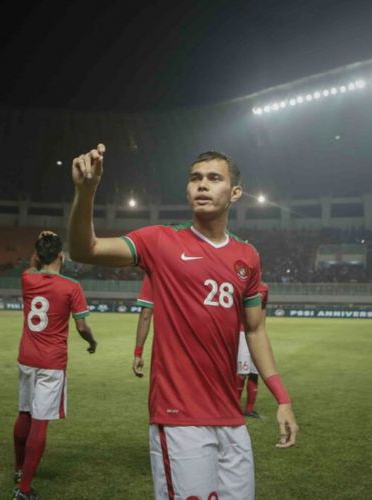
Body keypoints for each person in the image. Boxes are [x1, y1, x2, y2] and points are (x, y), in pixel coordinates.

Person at [68, 145, 298, 500]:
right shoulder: (160, 240)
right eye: (195, 179)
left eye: (213, 178)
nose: (202, 185)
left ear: (234, 193)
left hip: (230, 418)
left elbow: (254, 329)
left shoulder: (247, 257)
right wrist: (86, 192)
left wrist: (282, 398)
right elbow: (87, 250)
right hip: (179, 418)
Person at [12, 231, 97, 500]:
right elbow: (81, 326)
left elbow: (31, 264)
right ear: (62, 256)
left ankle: (18, 469)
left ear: (37, 256)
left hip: (26, 358)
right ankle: (24, 489)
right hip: (52, 362)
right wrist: (92, 341)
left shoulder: (27, 278)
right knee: (40, 422)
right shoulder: (72, 287)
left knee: (24, 413)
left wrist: (37, 246)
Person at [237, 282, 269, 418]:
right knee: (242, 372)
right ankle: (235, 408)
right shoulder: (240, 284)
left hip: (256, 336)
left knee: (254, 373)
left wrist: (262, 332)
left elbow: (262, 311)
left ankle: (249, 410)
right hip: (242, 333)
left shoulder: (264, 288)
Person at [133, 275, 153, 378]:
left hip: (168, 349)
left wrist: (138, 354)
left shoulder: (156, 268)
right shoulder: (208, 262)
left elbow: (146, 315)